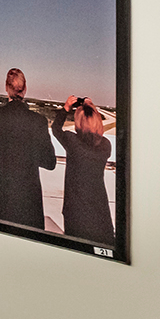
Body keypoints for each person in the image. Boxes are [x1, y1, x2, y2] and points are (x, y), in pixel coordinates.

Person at [0, 68, 54, 228]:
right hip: (30, 196)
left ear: (6, 88)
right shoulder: (39, 121)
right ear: (25, 89)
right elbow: (50, 162)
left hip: (4, 193)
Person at [51, 96, 116, 245]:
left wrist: (66, 107)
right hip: (99, 208)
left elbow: (55, 129)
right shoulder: (106, 146)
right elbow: (95, 138)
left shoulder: (72, 142)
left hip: (75, 210)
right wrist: (90, 106)